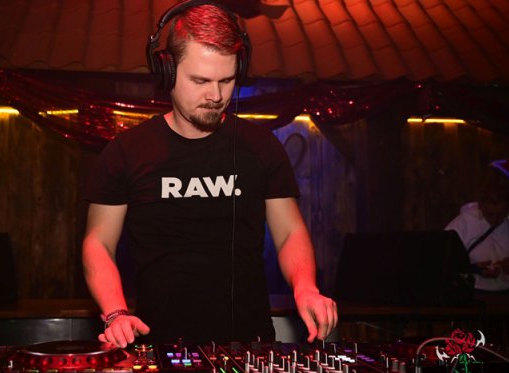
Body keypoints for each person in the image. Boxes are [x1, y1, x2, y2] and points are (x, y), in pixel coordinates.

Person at [82, 1, 337, 348]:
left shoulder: (261, 147)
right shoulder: (126, 152)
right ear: (167, 72)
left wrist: (305, 287)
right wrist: (115, 311)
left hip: (249, 349)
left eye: (226, 80)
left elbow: (290, 232)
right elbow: (98, 242)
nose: (216, 95)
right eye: (200, 80)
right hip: (159, 347)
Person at [445, 169, 509, 292]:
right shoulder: (462, 223)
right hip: (476, 293)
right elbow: (443, 262)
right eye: (490, 214)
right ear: (480, 206)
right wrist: (475, 269)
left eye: (501, 214)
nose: (495, 219)